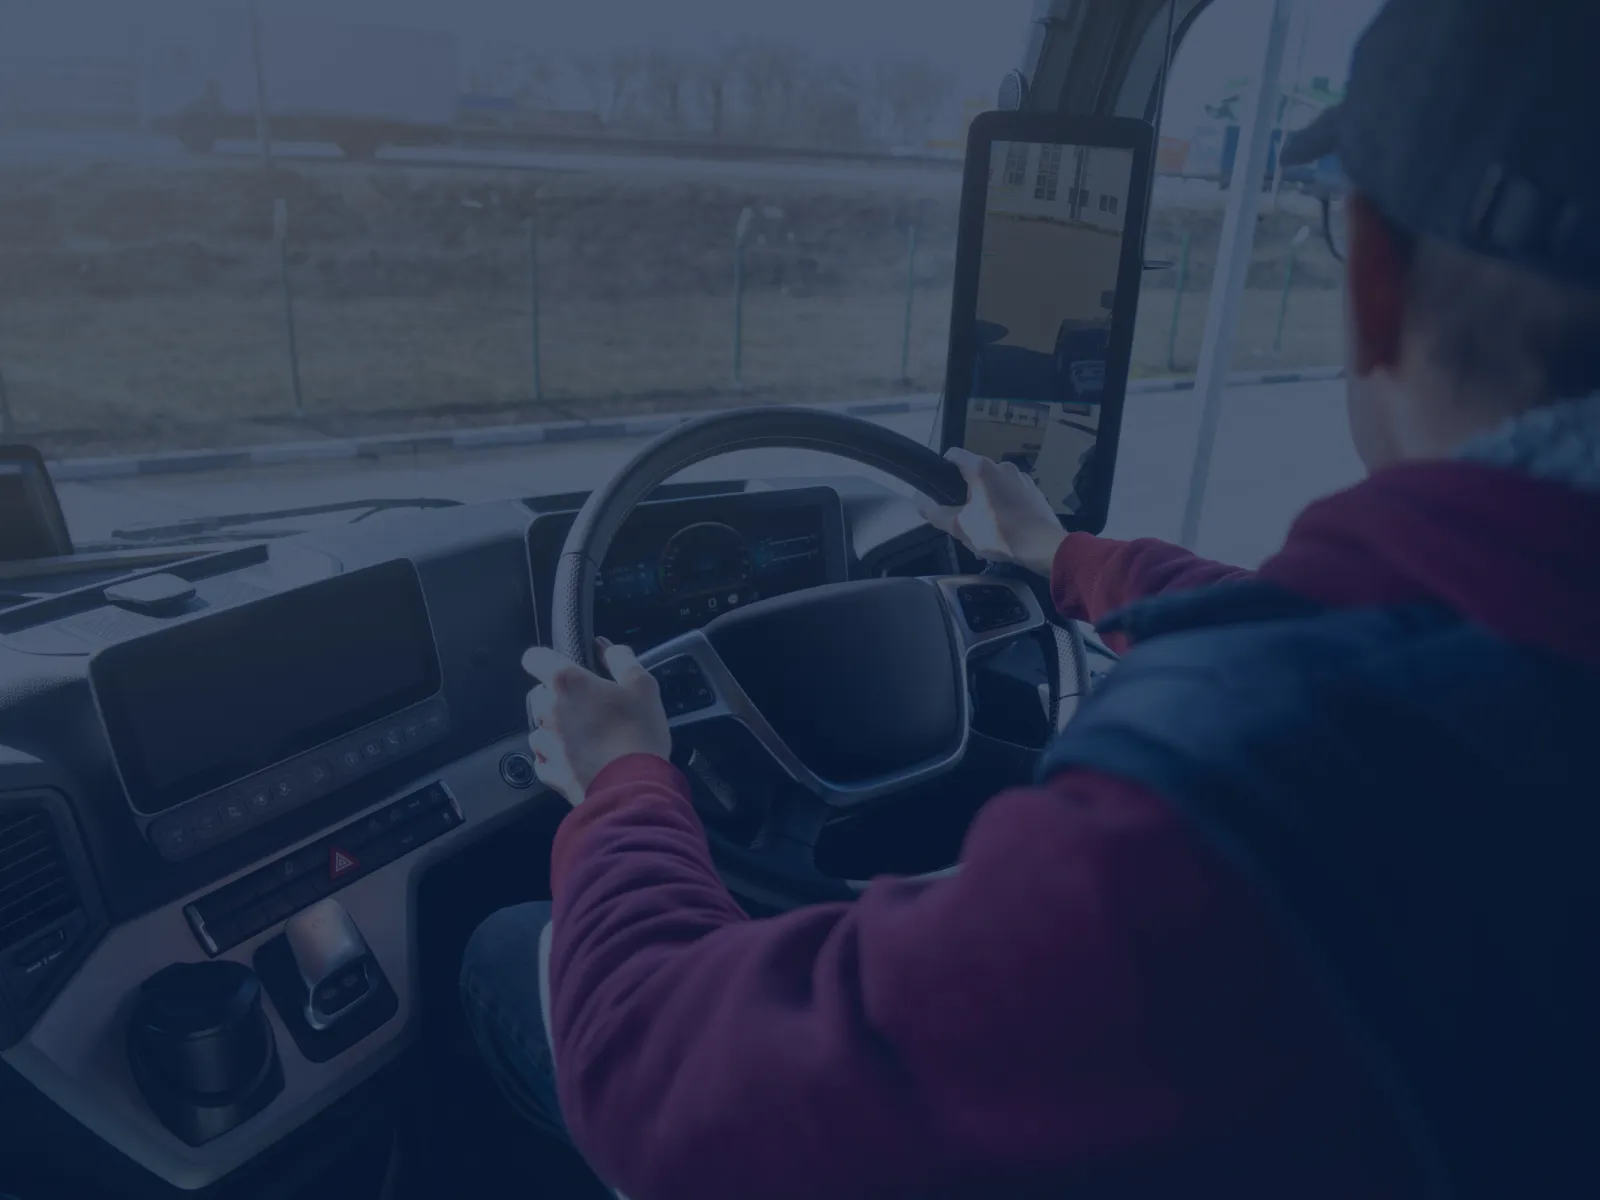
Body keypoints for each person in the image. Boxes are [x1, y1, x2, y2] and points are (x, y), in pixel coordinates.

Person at [461, 0, 1600, 1195]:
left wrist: (624, 787)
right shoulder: (1477, 661)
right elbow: (1339, 625)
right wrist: (1061, 554)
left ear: (1372, 277)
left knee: (507, 959)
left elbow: (664, 1086)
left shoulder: (1255, 794)